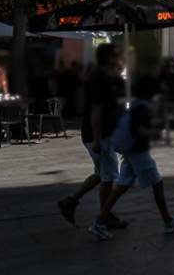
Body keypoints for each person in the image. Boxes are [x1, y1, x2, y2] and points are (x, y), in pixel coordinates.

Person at [89, 76, 174, 239]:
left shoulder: (136, 105)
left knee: (121, 187)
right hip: (138, 152)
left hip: (130, 151)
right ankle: (168, 221)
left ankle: (99, 222)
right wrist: (155, 133)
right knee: (157, 184)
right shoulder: (143, 107)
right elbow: (140, 131)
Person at [58, 45, 131, 233]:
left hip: (101, 134)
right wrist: (98, 138)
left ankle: (70, 201)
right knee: (109, 176)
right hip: (100, 136)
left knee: (101, 173)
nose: (122, 58)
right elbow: (96, 109)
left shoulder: (104, 76)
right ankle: (105, 217)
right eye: (118, 55)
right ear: (110, 58)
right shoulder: (101, 78)